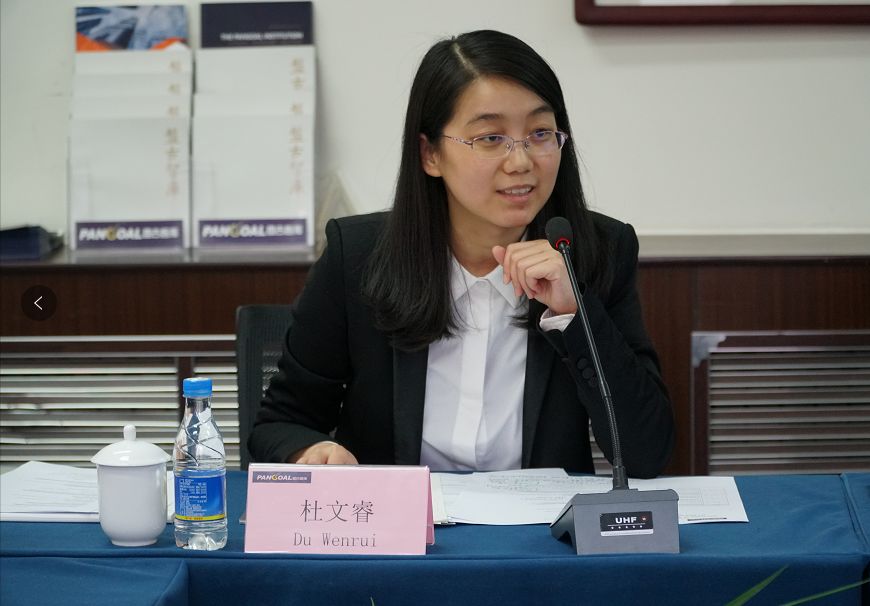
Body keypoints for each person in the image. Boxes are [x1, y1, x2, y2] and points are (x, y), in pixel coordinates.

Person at [249, 30, 674, 478]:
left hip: (538, 521)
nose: (521, 161)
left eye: (540, 133)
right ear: (430, 154)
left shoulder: (597, 250)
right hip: (400, 522)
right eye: (490, 138)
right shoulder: (357, 256)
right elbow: (280, 423)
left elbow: (648, 453)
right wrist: (312, 451)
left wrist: (575, 314)